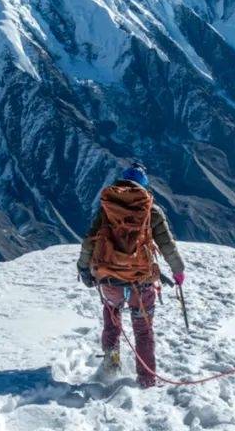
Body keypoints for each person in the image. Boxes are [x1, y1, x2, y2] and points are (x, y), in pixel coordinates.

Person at [77, 161, 185, 388]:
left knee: (112, 319)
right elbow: (167, 245)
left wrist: (84, 268)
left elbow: (90, 240)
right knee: (143, 331)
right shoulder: (151, 210)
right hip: (141, 281)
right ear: (145, 186)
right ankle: (147, 380)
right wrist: (178, 271)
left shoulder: (108, 207)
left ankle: (112, 364)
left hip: (109, 278)